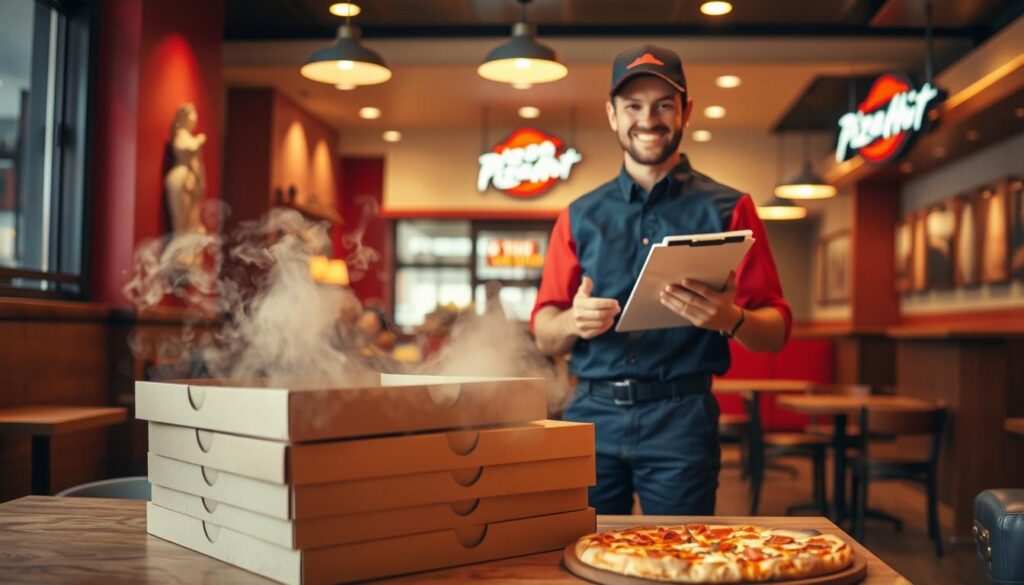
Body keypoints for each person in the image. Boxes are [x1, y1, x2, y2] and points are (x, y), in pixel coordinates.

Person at [531, 45, 791, 516]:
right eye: (632, 106)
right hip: (590, 415)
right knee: (576, 556)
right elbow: (544, 331)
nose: (647, 119)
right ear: (611, 115)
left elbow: (775, 331)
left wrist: (729, 318)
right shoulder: (577, 216)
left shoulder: (731, 208)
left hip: (682, 419)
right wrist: (571, 321)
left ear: (685, 112)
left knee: (679, 560)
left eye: (663, 105)